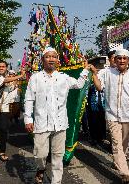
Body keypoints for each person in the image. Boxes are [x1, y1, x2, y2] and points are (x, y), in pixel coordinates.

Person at [24, 47, 91, 184]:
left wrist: (85, 70)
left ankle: (56, 181)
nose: (51, 59)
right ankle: (41, 169)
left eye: (54, 57)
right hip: (41, 123)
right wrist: (28, 119)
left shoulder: (63, 78)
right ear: (43, 60)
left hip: (60, 124)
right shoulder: (35, 78)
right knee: (40, 154)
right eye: (48, 56)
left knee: (57, 156)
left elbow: (79, 85)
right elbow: (29, 99)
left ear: (58, 60)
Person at [91, 49, 129, 184]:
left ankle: (118, 160)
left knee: (125, 143)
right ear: (115, 60)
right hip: (112, 114)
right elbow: (99, 87)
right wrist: (95, 75)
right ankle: (124, 173)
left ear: (128, 61)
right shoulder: (106, 73)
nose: (122, 61)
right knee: (117, 143)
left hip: (128, 115)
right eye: (119, 58)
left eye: (124, 58)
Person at [0, 61, 25, 160]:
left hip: (4, 108)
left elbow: (11, 87)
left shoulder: (8, 79)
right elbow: (5, 80)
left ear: (6, 68)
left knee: (4, 129)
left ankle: (2, 151)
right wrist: (19, 75)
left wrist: (21, 77)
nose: (1, 68)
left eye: (3, 66)